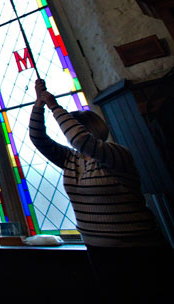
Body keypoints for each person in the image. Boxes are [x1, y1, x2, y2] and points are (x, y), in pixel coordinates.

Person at [29, 78, 172, 302]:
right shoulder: (71, 159)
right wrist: (39, 104)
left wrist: (54, 107)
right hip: (99, 252)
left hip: (138, 253)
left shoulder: (116, 154)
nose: (69, 137)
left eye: (75, 127)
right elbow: (38, 139)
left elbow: (79, 139)